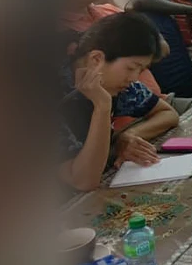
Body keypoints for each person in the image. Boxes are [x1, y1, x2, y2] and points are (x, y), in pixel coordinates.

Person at [60, 12, 179, 191]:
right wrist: (102, 108)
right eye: (131, 68)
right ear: (96, 59)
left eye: (140, 69)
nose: (134, 78)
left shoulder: (117, 84)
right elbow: (82, 180)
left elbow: (167, 113)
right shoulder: (46, 100)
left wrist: (127, 136)